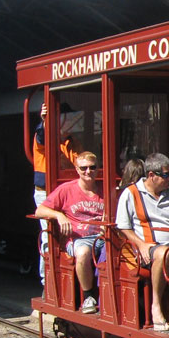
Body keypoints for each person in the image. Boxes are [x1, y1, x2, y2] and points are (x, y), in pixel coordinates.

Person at [115, 152, 169, 331]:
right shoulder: (131, 193)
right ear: (151, 175)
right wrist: (140, 243)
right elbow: (122, 226)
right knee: (163, 252)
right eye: (166, 175)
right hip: (149, 249)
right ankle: (156, 305)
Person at [34, 150, 105, 314]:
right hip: (79, 239)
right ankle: (88, 296)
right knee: (83, 252)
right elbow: (40, 210)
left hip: (103, 236)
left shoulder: (104, 188)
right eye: (84, 168)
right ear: (77, 169)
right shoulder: (66, 189)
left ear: (98, 168)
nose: (88, 172)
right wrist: (59, 215)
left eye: (92, 167)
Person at [32, 99, 81, 285]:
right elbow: (42, 137)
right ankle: (48, 282)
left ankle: (72, 281)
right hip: (47, 192)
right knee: (48, 235)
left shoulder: (71, 141)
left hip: (70, 192)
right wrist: (45, 121)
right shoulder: (44, 136)